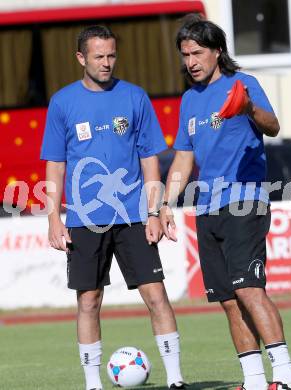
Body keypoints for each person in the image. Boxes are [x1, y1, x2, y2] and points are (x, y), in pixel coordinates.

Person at [160, 14, 291, 390]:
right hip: (206, 209)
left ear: (217, 51)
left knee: (249, 289)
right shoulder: (189, 99)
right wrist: (162, 205)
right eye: (185, 54)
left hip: (245, 202)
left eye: (197, 52)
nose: (190, 61)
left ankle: (287, 375)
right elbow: (183, 158)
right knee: (228, 299)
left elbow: (272, 125)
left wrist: (248, 110)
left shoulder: (243, 84)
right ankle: (254, 379)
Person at [41, 25, 186, 390]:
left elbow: (149, 158)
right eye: (99, 57)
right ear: (81, 58)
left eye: (111, 56)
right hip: (85, 220)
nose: (107, 63)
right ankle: (93, 383)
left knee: (156, 295)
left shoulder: (135, 97)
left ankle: (176, 379)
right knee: (89, 300)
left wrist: (154, 212)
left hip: (135, 215)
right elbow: (55, 164)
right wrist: (54, 217)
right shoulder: (62, 102)